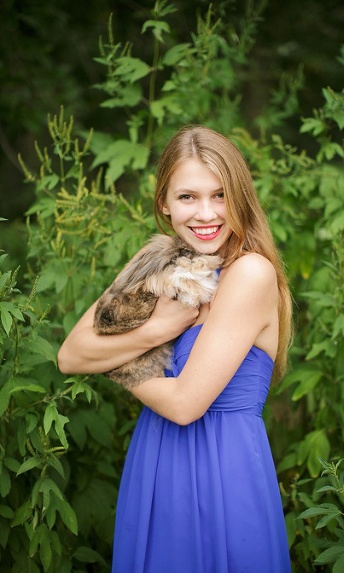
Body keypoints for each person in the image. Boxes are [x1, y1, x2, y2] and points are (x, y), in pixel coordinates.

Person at [58, 125, 293, 572]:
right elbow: (70, 355)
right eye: (187, 197)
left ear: (240, 197)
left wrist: (114, 358)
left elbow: (186, 404)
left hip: (224, 471)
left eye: (220, 195)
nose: (206, 213)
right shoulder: (154, 262)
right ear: (164, 203)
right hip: (156, 460)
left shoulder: (250, 274)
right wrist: (153, 333)